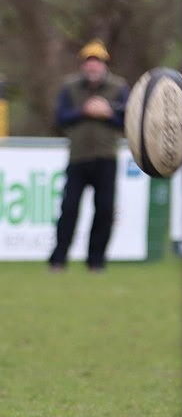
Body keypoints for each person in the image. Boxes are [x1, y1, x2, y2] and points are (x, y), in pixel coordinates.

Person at [49, 39, 130, 272]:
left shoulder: (119, 87)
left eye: (97, 62)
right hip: (78, 157)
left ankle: (96, 261)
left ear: (105, 65)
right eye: (89, 62)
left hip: (106, 157)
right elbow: (60, 118)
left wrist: (107, 114)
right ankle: (59, 259)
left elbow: (130, 120)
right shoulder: (70, 87)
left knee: (104, 211)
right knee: (69, 209)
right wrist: (83, 111)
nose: (93, 66)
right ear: (83, 65)